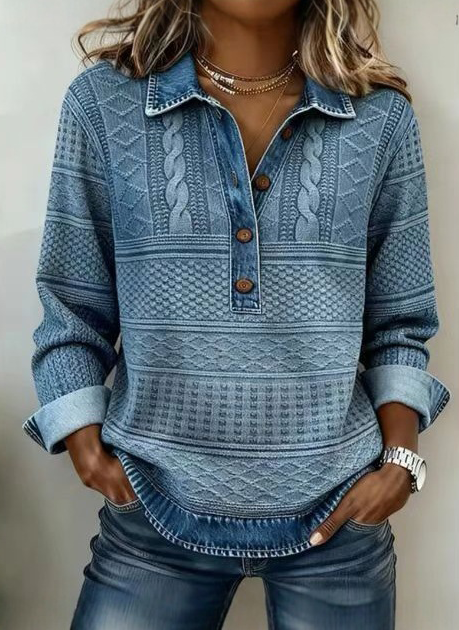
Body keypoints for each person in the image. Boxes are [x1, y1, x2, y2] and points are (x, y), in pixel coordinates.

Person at [23, 0, 451, 628]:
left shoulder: (379, 118)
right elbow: (71, 303)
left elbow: (401, 321)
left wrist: (400, 464)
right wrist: (84, 443)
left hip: (340, 516)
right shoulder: (104, 104)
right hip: (152, 509)